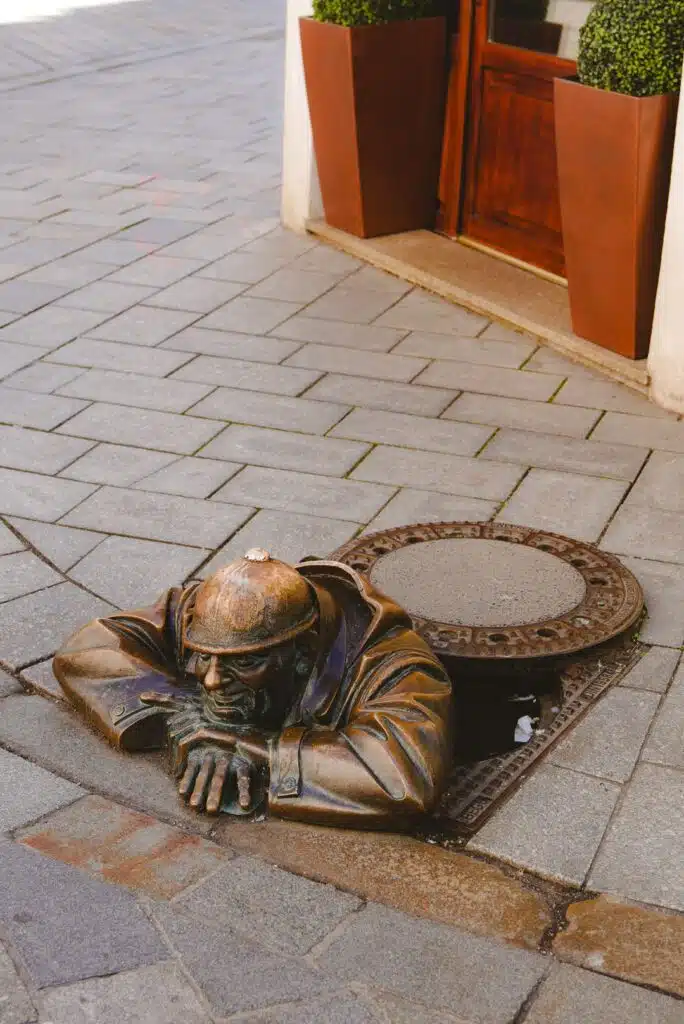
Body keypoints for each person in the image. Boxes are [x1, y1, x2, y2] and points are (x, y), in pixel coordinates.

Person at [53, 549, 452, 829]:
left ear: (304, 651)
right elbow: (89, 647)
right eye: (201, 656)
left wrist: (254, 749)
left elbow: (403, 778)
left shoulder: (393, 664)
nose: (210, 680)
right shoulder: (204, 612)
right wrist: (182, 712)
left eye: (245, 663)